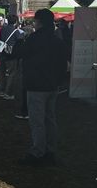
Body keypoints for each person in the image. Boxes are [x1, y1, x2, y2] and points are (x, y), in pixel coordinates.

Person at [14, 9, 67, 167]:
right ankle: (50, 149)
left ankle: (38, 151)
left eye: (35, 21)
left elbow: (19, 53)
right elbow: (63, 65)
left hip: (36, 86)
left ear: (39, 22)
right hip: (52, 86)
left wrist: (20, 42)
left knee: (37, 120)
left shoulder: (33, 39)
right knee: (50, 118)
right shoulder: (57, 40)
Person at [0, 15, 24, 100]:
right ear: (16, 22)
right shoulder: (16, 31)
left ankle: (2, 91)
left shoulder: (3, 29)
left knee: (2, 73)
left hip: (2, 53)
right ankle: (8, 92)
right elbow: (20, 43)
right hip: (11, 55)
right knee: (11, 74)